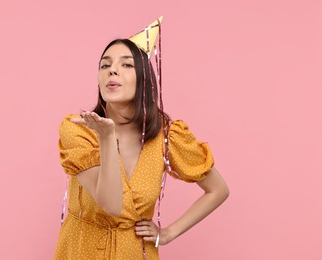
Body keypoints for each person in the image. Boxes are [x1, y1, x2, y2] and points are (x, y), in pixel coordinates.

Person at [54, 17, 229, 260]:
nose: (112, 70)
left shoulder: (167, 136)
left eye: (126, 65)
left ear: (144, 79)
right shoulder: (78, 130)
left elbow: (218, 190)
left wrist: (168, 233)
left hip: (135, 253)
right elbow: (112, 205)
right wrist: (107, 138)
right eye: (105, 65)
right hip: (81, 250)